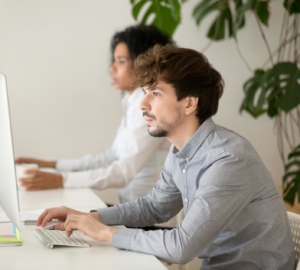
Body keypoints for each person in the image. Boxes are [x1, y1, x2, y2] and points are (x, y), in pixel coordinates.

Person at [36, 44, 294, 269]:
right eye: (145, 92)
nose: (143, 104)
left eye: (155, 93)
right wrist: (93, 216)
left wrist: (105, 233)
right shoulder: (180, 150)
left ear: (189, 104)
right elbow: (154, 207)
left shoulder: (228, 160)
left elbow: (181, 247)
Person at [15, 25, 173, 205]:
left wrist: (60, 180)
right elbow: (111, 157)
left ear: (144, 64)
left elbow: (122, 173)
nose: (111, 68)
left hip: (152, 220)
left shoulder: (149, 107)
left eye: (121, 61)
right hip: (132, 210)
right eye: (114, 61)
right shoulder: (132, 103)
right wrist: (52, 165)